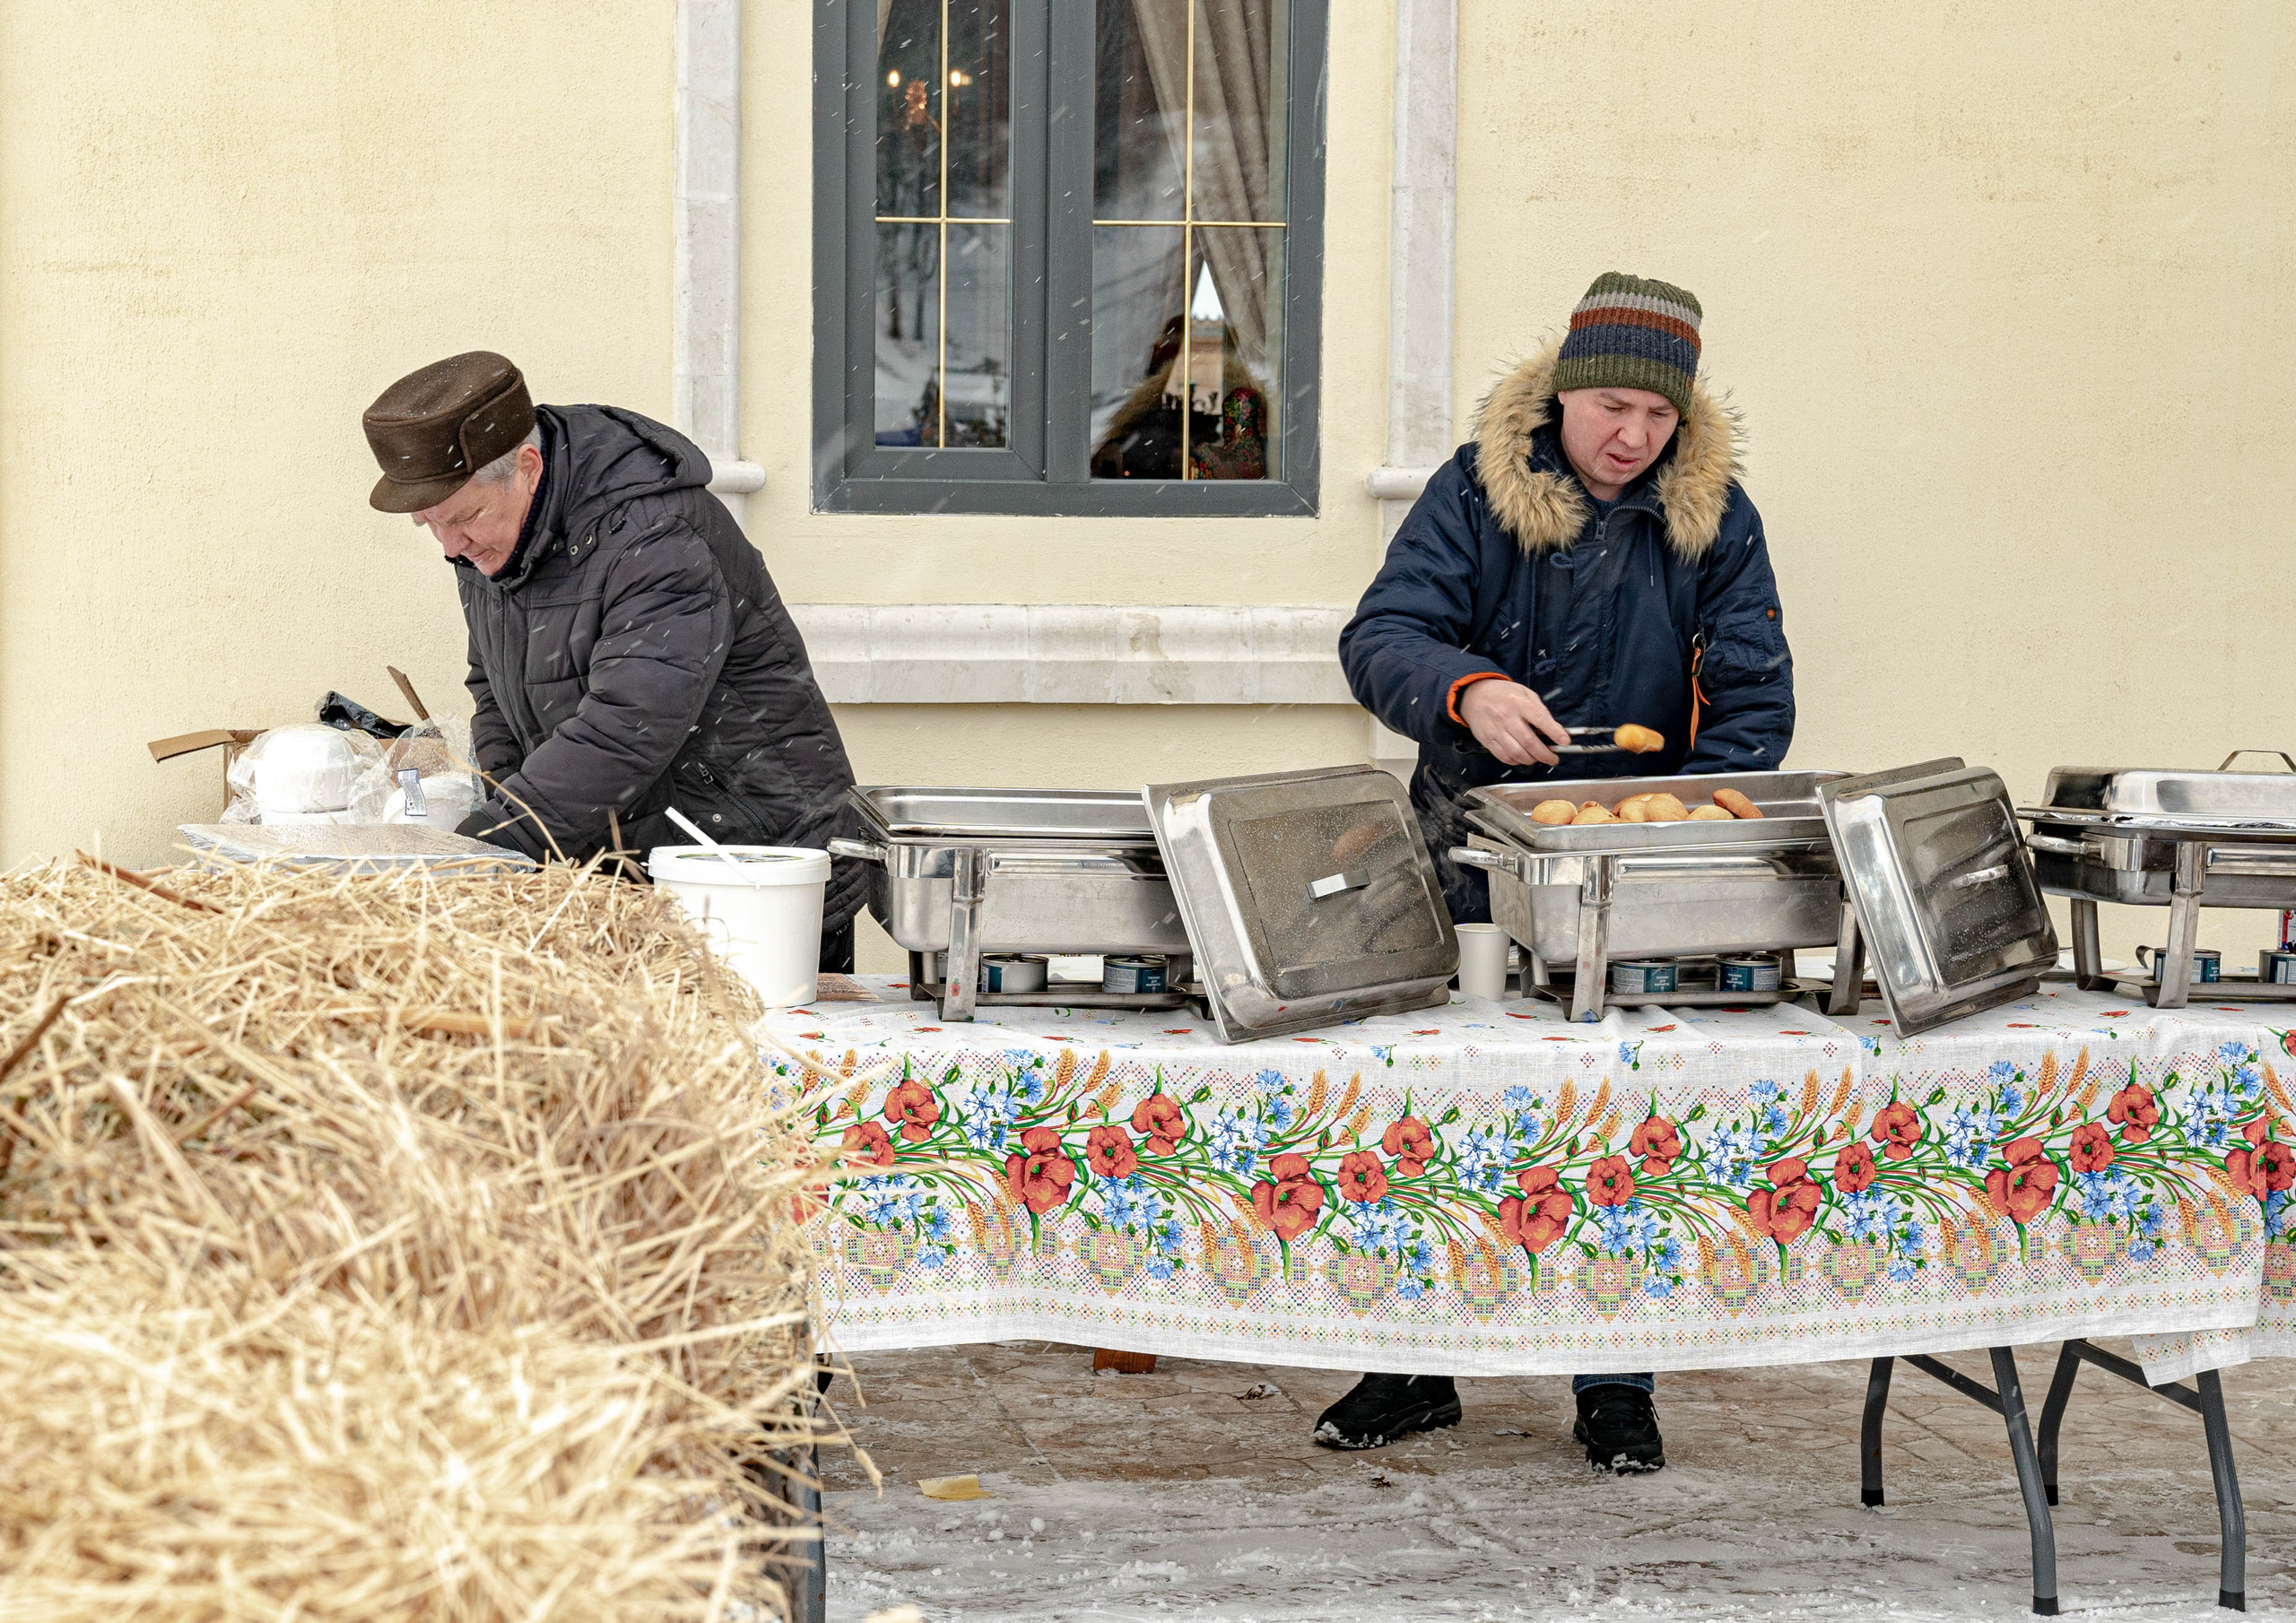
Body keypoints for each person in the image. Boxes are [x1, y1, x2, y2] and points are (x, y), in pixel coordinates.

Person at [1333, 273, 1795, 1470]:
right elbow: (1381, 635)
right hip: (1470, 849)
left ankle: (1615, 1379)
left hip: (1631, 870)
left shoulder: (1714, 517)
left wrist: (1682, 818)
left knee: (1623, 1116)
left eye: (1658, 416)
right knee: (1438, 1108)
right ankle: (1414, 1362)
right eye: (1612, 408)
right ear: (1565, 392)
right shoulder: (1476, 489)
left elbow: (1753, 695)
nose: (1631, 436)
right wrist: (1466, 689)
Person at [361, 351, 865, 969]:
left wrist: (489, 848)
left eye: (463, 518)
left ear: (527, 468)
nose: (449, 546)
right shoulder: (489, 538)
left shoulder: (656, 536)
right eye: (428, 524)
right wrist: (512, 828)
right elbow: (493, 684)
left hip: (749, 875)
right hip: (631, 878)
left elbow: (627, 727)